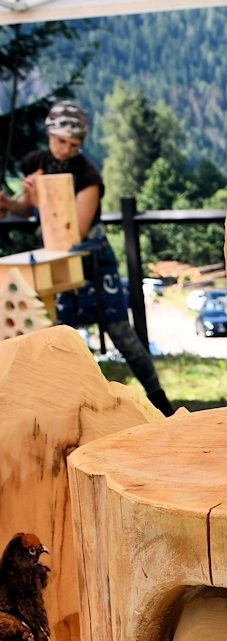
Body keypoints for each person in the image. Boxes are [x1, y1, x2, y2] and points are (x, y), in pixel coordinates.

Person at [0, 102, 171, 416]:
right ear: (49, 134)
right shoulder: (36, 162)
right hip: (54, 261)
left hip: (93, 261)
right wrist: (12, 203)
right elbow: (28, 210)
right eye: (61, 141)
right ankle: (69, 406)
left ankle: (160, 401)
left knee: (120, 331)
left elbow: (74, 231)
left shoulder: (87, 174)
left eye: (73, 144)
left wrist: (38, 198)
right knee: (57, 332)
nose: (66, 149)